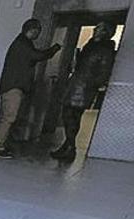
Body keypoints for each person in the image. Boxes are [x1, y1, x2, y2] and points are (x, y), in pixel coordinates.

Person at [0, 18, 61, 159]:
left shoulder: (21, 43)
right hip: (14, 86)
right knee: (9, 118)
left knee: (4, 117)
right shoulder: (23, 44)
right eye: (37, 31)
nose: (38, 34)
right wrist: (54, 49)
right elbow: (37, 56)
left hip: (10, 85)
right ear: (32, 30)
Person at [51, 21, 117, 161]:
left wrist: (92, 85)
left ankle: (70, 148)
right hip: (76, 85)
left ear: (106, 32)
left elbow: (103, 73)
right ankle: (68, 146)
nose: (95, 29)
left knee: (71, 116)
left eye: (99, 28)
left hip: (84, 88)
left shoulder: (105, 49)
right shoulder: (91, 45)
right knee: (69, 116)